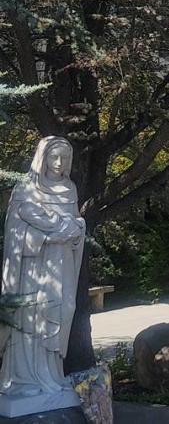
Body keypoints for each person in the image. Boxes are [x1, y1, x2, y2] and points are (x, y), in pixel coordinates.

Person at [0, 137, 84, 397]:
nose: (60, 163)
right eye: (54, 157)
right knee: (35, 315)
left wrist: (78, 228)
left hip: (63, 262)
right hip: (33, 268)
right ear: (43, 157)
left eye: (65, 158)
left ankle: (53, 374)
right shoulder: (26, 188)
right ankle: (26, 379)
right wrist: (48, 236)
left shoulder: (69, 188)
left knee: (65, 308)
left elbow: (74, 224)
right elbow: (14, 231)